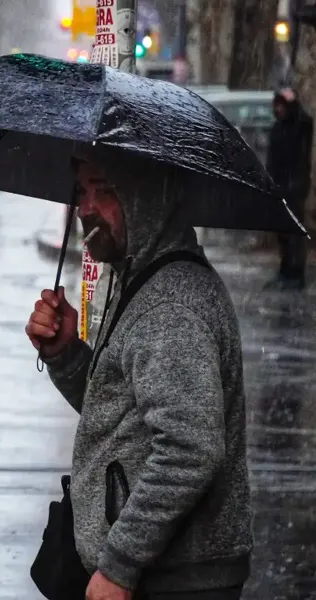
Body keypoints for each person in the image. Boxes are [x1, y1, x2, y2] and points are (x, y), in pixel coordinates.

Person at [25, 150, 253, 600]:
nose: (87, 208)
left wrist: (120, 566)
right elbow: (123, 420)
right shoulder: (145, 278)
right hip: (168, 571)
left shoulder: (170, 305)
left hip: (173, 580)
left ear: (147, 198)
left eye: (105, 191)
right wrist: (67, 354)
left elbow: (190, 449)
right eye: (81, 192)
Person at [266, 87, 312, 290]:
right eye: (277, 106)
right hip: (279, 186)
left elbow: (306, 121)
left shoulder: (299, 126)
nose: (279, 109)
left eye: (283, 105)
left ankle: (297, 273)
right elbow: (272, 158)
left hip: (295, 186)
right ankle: (285, 270)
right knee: (282, 233)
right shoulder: (277, 128)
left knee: (294, 232)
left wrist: (293, 100)